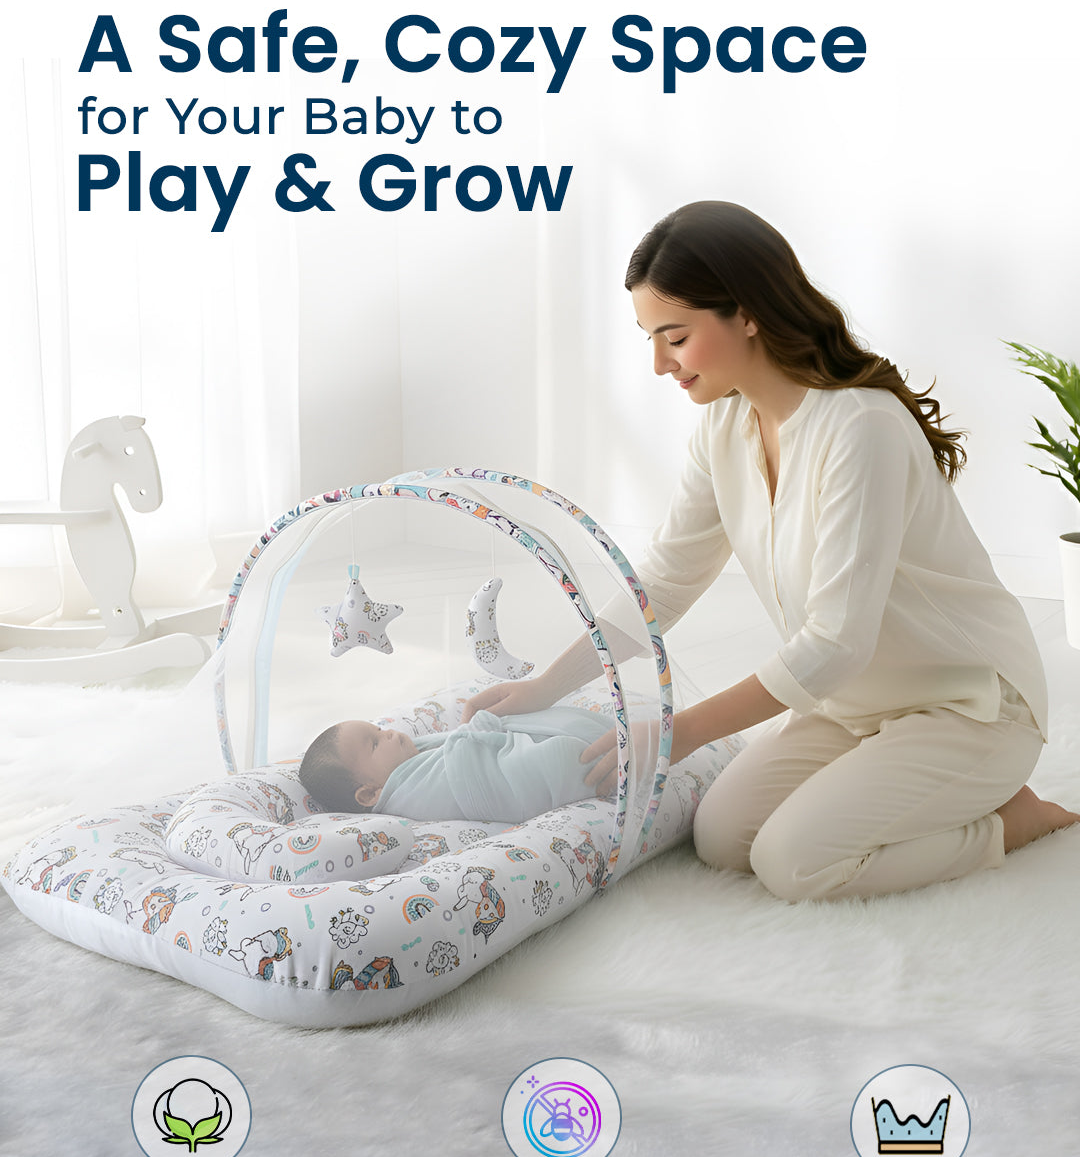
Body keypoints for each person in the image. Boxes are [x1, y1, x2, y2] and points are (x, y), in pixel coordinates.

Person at [463, 201, 1080, 901]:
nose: (660, 363)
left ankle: (1011, 821)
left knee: (795, 865)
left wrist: (678, 731)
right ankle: (908, 789)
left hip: (968, 706)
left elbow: (837, 642)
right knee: (723, 839)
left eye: (676, 336)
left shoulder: (861, 426)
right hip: (849, 708)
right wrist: (547, 685)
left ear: (747, 313)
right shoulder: (726, 428)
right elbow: (665, 580)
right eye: (649, 338)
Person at [299, 704, 612, 823]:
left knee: (548, 717)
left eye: (379, 728)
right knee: (557, 757)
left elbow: (447, 748)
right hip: (512, 776)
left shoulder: (407, 766)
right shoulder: (413, 798)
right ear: (370, 794)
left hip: (496, 753)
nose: (391, 733)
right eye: (376, 742)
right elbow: (470, 780)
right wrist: (478, 729)